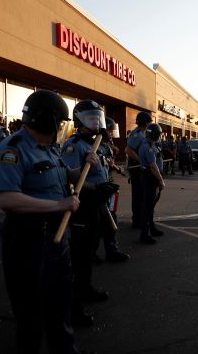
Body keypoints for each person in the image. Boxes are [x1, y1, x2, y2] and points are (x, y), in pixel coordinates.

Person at [0, 90, 86, 354]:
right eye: (61, 122)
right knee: (30, 314)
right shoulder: (12, 150)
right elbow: (7, 199)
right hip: (27, 242)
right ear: (50, 121)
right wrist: (59, 205)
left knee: (60, 306)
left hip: (57, 239)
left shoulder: (50, 149)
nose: (61, 128)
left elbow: (64, 175)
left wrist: (85, 166)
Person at [62, 100, 119, 327]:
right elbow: (69, 178)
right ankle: (74, 304)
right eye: (90, 117)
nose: (95, 121)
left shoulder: (98, 143)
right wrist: (94, 188)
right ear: (79, 120)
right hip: (83, 204)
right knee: (79, 256)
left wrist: (104, 186)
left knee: (91, 249)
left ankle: (86, 289)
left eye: (98, 117)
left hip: (98, 203)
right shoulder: (74, 146)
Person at [97, 117, 130, 263]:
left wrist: (117, 169)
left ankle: (112, 250)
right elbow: (106, 162)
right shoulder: (97, 146)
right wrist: (118, 168)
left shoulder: (106, 145)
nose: (112, 134)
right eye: (110, 131)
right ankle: (95, 252)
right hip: (99, 188)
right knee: (102, 221)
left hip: (108, 184)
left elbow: (109, 163)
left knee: (110, 218)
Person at [138, 123, 165, 244]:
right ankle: (145, 234)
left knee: (151, 207)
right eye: (158, 134)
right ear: (153, 134)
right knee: (147, 207)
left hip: (151, 178)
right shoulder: (147, 146)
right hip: (149, 178)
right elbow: (153, 166)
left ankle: (151, 228)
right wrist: (161, 180)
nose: (159, 136)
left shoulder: (153, 144)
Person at [125, 112, 152, 229]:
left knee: (143, 194)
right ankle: (136, 221)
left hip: (143, 167)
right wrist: (141, 160)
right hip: (137, 167)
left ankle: (141, 219)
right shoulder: (136, 134)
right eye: (148, 122)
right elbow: (128, 150)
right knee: (138, 195)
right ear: (144, 122)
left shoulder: (144, 133)